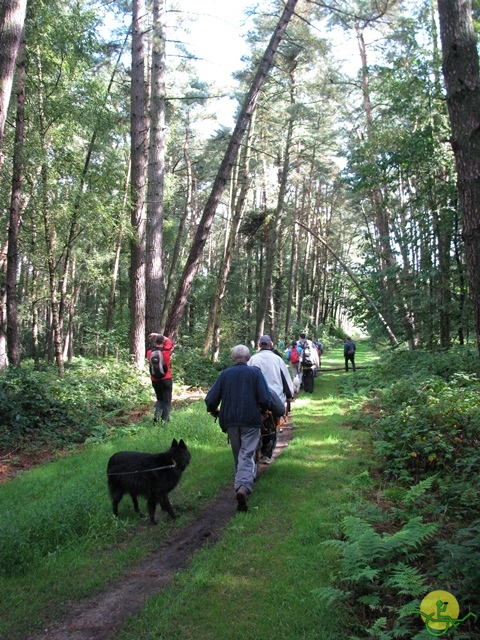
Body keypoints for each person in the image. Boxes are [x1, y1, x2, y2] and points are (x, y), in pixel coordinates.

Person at [205, 344, 270, 513]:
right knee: (247, 454)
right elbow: (264, 398)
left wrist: (214, 411)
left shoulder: (225, 374)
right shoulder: (255, 373)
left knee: (238, 453)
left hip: (230, 421)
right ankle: (242, 487)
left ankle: (241, 482)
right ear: (248, 358)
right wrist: (263, 412)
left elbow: (211, 399)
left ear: (233, 359)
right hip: (250, 419)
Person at [248, 335, 294, 462]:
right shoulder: (277, 360)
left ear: (259, 345)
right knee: (274, 426)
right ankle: (267, 455)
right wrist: (289, 396)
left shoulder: (252, 359)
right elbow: (286, 379)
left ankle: (253, 450)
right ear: (271, 345)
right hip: (275, 398)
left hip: (256, 399)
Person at [146, 333, 174, 423]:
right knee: (167, 400)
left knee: (159, 399)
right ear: (163, 342)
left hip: (155, 379)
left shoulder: (149, 353)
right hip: (166, 379)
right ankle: (165, 421)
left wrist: (155, 336)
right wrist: (157, 334)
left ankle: (157, 417)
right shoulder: (166, 352)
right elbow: (169, 341)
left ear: (155, 342)